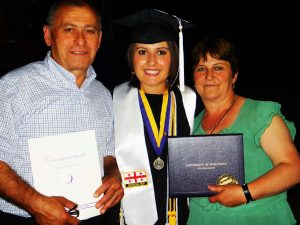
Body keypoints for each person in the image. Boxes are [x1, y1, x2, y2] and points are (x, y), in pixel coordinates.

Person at [0, 0, 123, 224]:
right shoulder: (11, 87)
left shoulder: (102, 94)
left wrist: (114, 175)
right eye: (69, 29)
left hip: (92, 215)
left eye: (90, 31)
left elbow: (107, 155)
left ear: (100, 39)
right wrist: (36, 204)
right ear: (48, 36)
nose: (80, 40)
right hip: (25, 218)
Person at [187, 36, 300, 225]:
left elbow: (294, 169)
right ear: (194, 77)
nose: (209, 76)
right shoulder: (191, 124)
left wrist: (245, 193)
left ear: (234, 76)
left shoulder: (259, 113)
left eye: (218, 67)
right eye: (201, 69)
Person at [112, 9, 197, 225]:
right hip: (131, 211)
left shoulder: (191, 101)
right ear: (132, 56)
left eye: (161, 52)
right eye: (142, 52)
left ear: (173, 57)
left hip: (182, 213)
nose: (151, 62)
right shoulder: (114, 100)